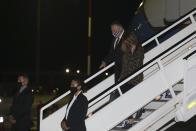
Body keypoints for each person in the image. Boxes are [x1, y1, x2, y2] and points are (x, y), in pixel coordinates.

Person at [118, 32, 144, 128]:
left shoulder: (139, 49)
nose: (127, 44)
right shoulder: (126, 53)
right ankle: (130, 118)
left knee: (127, 92)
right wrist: (120, 79)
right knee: (122, 91)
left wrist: (133, 52)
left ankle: (132, 118)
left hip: (135, 78)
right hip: (126, 79)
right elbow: (124, 69)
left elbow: (137, 65)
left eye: (128, 41)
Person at [99, 20, 126, 102]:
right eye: (112, 31)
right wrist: (105, 61)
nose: (113, 32)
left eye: (114, 30)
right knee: (119, 92)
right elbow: (111, 54)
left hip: (126, 71)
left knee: (123, 92)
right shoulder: (115, 40)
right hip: (118, 72)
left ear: (120, 28)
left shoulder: (128, 37)